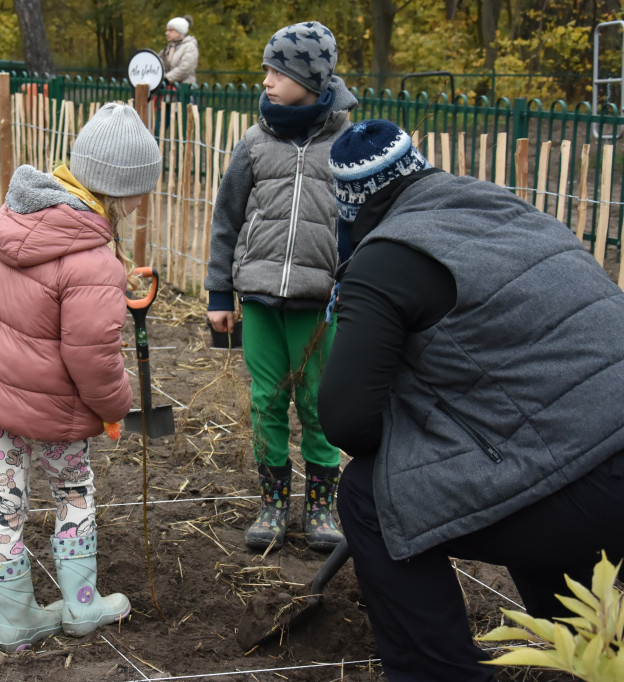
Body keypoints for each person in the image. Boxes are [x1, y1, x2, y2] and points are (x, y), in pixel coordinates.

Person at [319, 118, 624, 681]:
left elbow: (346, 422)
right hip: (596, 436)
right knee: (513, 467)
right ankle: (595, 653)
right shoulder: (504, 207)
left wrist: (420, 424)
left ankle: (440, 672)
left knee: (369, 495)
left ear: (353, 207)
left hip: (587, 478)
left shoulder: (384, 258)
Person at [0, 103, 162, 653]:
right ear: (122, 193)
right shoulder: (95, 263)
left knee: (6, 498)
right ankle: (80, 609)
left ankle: (14, 618)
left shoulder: (8, 217)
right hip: (55, 415)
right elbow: (94, 359)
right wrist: (114, 408)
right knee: (73, 492)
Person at [204, 21, 357, 554]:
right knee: (266, 400)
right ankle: (272, 504)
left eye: (277, 71)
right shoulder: (253, 144)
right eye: (266, 69)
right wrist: (220, 294)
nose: (265, 80)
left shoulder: (345, 146)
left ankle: (320, 508)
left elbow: (365, 225)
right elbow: (227, 220)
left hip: (321, 304)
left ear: (310, 77)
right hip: (261, 299)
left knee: (317, 403)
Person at [158, 16, 199, 88]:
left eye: (171, 30)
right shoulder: (169, 48)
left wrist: (166, 79)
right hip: (169, 90)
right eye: (166, 30)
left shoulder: (189, 47)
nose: (166, 33)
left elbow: (185, 68)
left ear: (180, 31)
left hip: (184, 91)